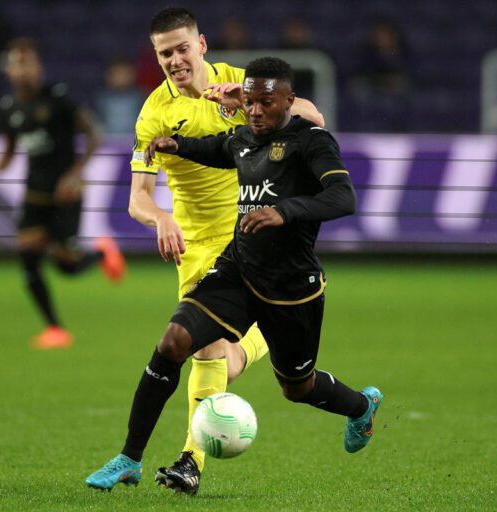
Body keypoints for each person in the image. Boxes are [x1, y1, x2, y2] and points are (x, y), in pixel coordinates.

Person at [86, 56, 382, 493]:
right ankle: (130, 458)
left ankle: (360, 408)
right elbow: (218, 150)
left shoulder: (311, 140)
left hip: (291, 287)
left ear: (289, 101)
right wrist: (176, 145)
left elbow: (343, 196)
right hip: (237, 269)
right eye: (250, 102)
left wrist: (284, 211)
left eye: (266, 103)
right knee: (173, 342)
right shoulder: (245, 137)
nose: (256, 111)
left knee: (297, 387)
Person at [119, 7, 325, 495]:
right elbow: (137, 198)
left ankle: (190, 462)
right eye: (164, 53)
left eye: (182, 48)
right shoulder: (153, 113)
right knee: (221, 359)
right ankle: (261, 338)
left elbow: (314, 117)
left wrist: (247, 101)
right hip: (196, 244)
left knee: (206, 349)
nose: (175, 60)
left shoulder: (241, 83)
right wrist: (161, 217)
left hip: (251, 234)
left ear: (202, 45)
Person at [0, 38, 125, 349]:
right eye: (17, 64)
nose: (23, 70)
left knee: (67, 266)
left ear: (38, 67)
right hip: (34, 195)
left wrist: (74, 174)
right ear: (9, 71)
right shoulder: (9, 108)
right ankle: (54, 328)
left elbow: (94, 135)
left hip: (66, 195)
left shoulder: (58, 99)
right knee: (28, 260)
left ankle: (102, 253)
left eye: (27, 63)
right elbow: (9, 152)